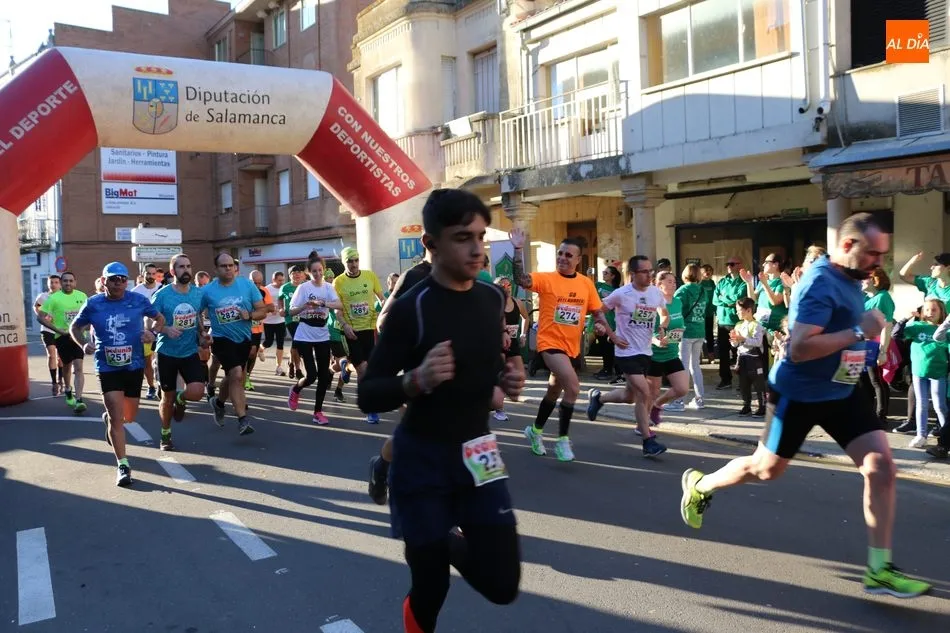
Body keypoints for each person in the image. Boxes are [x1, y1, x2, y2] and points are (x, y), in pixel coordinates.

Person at [679, 212, 931, 599]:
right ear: (847, 245)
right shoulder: (819, 282)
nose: (879, 262)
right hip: (798, 393)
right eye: (873, 253)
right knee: (765, 470)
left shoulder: (853, 276)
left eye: (883, 254)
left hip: (842, 390)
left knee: (881, 468)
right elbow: (799, 349)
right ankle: (701, 484)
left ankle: (880, 569)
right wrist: (858, 331)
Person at [356, 188, 525, 633]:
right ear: (431, 244)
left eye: (481, 236)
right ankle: (428, 531)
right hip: (422, 459)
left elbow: (489, 361)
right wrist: (415, 380)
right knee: (430, 588)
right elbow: (368, 394)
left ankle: (441, 534)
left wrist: (506, 377)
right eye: (462, 238)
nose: (476, 249)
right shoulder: (411, 310)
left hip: (478, 451)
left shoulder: (491, 299)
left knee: (502, 584)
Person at [510, 228, 610, 462]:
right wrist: (518, 249)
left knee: (554, 391)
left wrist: (600, 325)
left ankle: (535, 431)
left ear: (578, 260)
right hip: (549, 344)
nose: (563, 258)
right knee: (573, 388)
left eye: (568, 255)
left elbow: (597, 311)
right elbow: (520, 279)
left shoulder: (586, 284)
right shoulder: (546, 279)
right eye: (560, 253)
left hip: (571, 347)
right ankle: (563, 440)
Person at [71, 262, 163, 486]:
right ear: (104, 281)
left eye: (122, 279)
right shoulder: (93, 304)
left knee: (128, 417)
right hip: (107, 366)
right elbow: (75, 327)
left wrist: (152, 333)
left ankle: (111, 421)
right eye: (113, 279)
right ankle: (123, 465)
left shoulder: (138, 300)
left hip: (134, 365)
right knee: (116, 415)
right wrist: (84, 344)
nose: (118, 283)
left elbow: (160, 319)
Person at [367, 246, 434, 506]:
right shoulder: (415, 276)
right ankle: (382, 467)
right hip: (422, 372)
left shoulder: (471, 276)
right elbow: (383, 320)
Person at [586, 257, 669, 457]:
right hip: (626, 352)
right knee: (644, 392)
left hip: (645, 352)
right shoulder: (621, 294)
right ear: (633, 274)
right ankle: (647, 440)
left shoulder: (655, 293)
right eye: (644, 272)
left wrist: (662, 328)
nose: (649, 275)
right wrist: (612, 335)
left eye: (651, 271)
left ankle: (599, 398)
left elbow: (664, 314)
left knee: (629, 396)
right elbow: (597, 311)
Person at [202, 252, 272, 435]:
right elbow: (195, 313)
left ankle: (219, 403)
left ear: (235, 268)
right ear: (216, 269)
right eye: (223, 266)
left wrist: (250, 315)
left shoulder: (247, 285)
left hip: (243, 339)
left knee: (233, 376)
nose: (228, 269)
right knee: (236, 374)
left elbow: (262, 311)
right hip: (221, 339)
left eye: (230, 265)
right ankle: (242, 419)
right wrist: (201, 332)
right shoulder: (207, 291)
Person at [150, 254, 209, 451]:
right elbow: (150, 323)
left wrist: (202, 334)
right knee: (166, 398)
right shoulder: (162, 295)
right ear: (173, 271)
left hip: (189, 350)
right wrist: (166, 329)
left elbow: (198, 317)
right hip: (166, 352)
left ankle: (180, 398)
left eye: (188, 266)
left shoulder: (198, 294)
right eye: (181, 267)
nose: (186, 270)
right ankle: (165, 434)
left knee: (198, 391)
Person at [333, 246, 386, 424]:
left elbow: (382, 298)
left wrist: (384, 309)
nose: (354, 264)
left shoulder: (369, 276)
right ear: (344, 262)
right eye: (350, 261)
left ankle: (346, 367)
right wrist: (344, 325)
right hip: (351, 331)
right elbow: (337, 310)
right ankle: (370, 408)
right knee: (363, 369)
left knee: (368, 368)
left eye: (356, 260)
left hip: (369, 329)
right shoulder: (338, 282)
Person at [287, 256, 343, 425]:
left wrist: (324, 303)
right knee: (311, 376)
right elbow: (291, 311)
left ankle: (317, 412)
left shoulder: (328, 287)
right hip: (304, 333)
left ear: (323, 270)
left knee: (324, 376)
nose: (317, 274)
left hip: (322, 333)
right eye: (314, 271)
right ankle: (296, 388)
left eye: (320, 270)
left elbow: (339, 305)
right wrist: (306, 305)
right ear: (308, 272)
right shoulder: (303, 288)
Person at [38, 271, 89, 413]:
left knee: (78, 367)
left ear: (75, 282)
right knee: (67, 365)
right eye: (65, 281)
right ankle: (67, 389)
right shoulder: (54, 299)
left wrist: (81, 329)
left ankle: (79, 400)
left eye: (71, 281)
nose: (68, 283)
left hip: (78, 336)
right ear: (61, 283)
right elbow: (40, 317)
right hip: (62, 337)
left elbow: (89, 315)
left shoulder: (82, 296)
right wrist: (57, 330)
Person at [901, 298, 948, 448]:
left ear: (941, 312)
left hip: (938, 373)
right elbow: (896, 334)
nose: (930, 312)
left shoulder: (945, 330)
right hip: (918, 372)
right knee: (921, 404)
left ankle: (946, 437)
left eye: (934, 310)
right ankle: (921, 435)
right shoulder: (916, 326)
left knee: (940, 406)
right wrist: (905, 318)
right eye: (927, 309)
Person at [861, 267, 895, 426]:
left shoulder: (883, 297)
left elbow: (887, 327)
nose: (861, 281)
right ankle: (867, 415)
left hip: (874, 344)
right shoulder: (863, 297)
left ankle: (881, 417)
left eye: (864, 278)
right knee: (863, 382)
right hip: (860, 343)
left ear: (875, 280)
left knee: (876, 381)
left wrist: (883, 351)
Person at [493, 276, 529, 422]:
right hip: (497, 343)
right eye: (502, 286)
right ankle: (499, 409)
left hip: (512, 342)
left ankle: (494, 397)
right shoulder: (494, 303)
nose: (506, 288)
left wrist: (523, 334)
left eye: (508, 285)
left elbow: (526, 318)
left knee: (520, 374)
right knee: (500, 373)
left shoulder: (517, 302)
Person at [672, 264, 707, 409]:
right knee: (695, 366)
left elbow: (675, 308)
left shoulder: (682, 290)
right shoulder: (702, 290)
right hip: (700, 330)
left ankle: (679, 401)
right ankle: (700, 399)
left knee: (683, 366)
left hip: (686, 332)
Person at [712, 257, 747, 390]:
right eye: (728, 264)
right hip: (722, 322)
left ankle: (743, 381)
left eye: (732, 264)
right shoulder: (722, 281)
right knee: (723, 353)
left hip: (736, 322)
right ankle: (725, 380)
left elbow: (738, 300)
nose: (729, 266)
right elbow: (715, 300)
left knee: (739, 352)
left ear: (739, 265)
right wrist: (728, 300)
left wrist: (723, 298)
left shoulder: (743, 282)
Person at [730, 297, 766, 416]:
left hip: (755, 358)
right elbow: (735, 345)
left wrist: (743, 339)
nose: (737, 313)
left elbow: (758, 342)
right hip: (743, 357)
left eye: (739, 310)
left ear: (749, 310)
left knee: (758, 383)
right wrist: (734, 339)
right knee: (743, 384)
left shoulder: (756, 325)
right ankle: (746, 405)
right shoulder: (738, 325)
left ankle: (762, 406)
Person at [131, 262, 162, 400]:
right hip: (144, 332)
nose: (150, 276)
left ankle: (161, 384)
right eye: (148, 273)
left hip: (160, 330)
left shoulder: (161, 288)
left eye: (153, 274)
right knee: (147, 361)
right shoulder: (136, 292)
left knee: (160, 361)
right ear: (143, 274)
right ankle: (151, 386)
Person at [34, 274, 63, 395]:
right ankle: (54, 383)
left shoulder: (64, 297)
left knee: (61, 357)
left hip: (61, 330)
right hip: (47, 330)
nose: (53, 284)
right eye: (51, 282)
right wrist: (43, 316)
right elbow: (36, 306)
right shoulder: (43, 296)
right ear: (48, 284)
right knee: (51, 355)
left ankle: (61, 380)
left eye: (56, 282)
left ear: (60, 284)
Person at [244, 270, 273, 391]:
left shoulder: (263, 291)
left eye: (259, 283)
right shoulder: (243, 290)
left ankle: (247, 376)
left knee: (252, 353)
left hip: (257, 327)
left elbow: (271, 307)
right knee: (245, 353)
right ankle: (241, 376)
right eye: (254, 282)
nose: (256, 285)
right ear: (249, 280)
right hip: (243, 327)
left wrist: (258, 311)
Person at [594, 266, 622, 382]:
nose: (604, 274)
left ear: (613, 276)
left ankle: (615, 370)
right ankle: (606, 368)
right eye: (603, 272)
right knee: (603, 345)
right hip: (599, 319)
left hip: (613, 321)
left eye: (606, 273)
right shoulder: (598, 285)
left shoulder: (618, 290)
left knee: (611, 346)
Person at [279, 264, 307, 379]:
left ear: (302, 274)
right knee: (297, 342)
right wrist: (281, 309)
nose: (296, 275)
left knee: (297, 344)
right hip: (290, 318)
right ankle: (298, 370)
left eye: (299, 272)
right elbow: (280, 299)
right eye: (293, 273)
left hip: (304, 318)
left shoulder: (306, 286)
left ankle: (291, 363)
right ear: (289, 275)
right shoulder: (285, 287)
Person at [263, 271, 288, 376]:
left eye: (283, 280)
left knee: (280, 344)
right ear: (273, 280)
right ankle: (260, 349)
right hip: (268, 321)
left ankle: (278, 367)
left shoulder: (284, 288)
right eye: (279, 280)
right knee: (268, 342)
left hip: (280, 320)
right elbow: (260, 304)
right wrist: (269, 310)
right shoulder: (267, 289)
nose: (281, 282)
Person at [700, 264, 717, 363]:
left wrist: (715, 310)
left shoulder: (712, 283)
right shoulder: (699, 283)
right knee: (700, 334)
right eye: (705, 270)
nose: (708, 272)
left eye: (710, 270)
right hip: (700, 314)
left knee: (709, 334)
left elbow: (715, 297)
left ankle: (711, 355)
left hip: (710, 313)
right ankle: (700, 355)